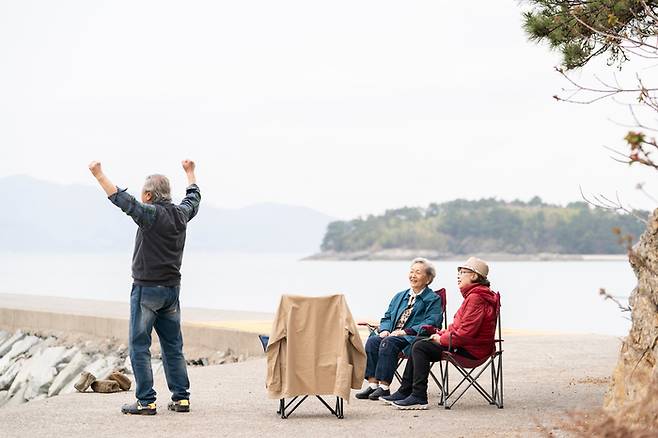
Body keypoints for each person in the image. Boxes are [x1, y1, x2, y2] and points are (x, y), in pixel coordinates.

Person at [88, 160, 201, 415]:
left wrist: (99, 175)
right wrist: (190, 173)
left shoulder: (150, 214)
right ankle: (181, 398)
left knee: (140, 346)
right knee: (173, 346)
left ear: (148, 195)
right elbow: (194, 197)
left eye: (143, 193)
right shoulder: (180, 215)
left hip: (146, 291)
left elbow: (122, 200)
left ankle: (146, 401)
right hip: (172, 292)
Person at [384, 256, 498, 410]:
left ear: (474, 276)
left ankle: (418, 396)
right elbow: (458, 327)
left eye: (463, 272)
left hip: (471, 350)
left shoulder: (476, 298)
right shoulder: (475, 296)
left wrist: (441, 339)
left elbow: (464, 334)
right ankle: (406, 391)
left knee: (419, 346)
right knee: (419, 342)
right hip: (472, 345)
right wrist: (441, 333)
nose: (458, 275)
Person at [355, 258, 443, 401]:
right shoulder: (399, 296)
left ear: (428, 279)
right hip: (392, 334)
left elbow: (432, 321)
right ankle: (373, 385)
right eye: (411, 271)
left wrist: (405, 331)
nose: (413, 275)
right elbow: (387, 317)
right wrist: (385, 329)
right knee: (373, 341)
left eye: (418, 272)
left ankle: (384, 387)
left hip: (412, 338)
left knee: (388, 343)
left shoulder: (433, 299)